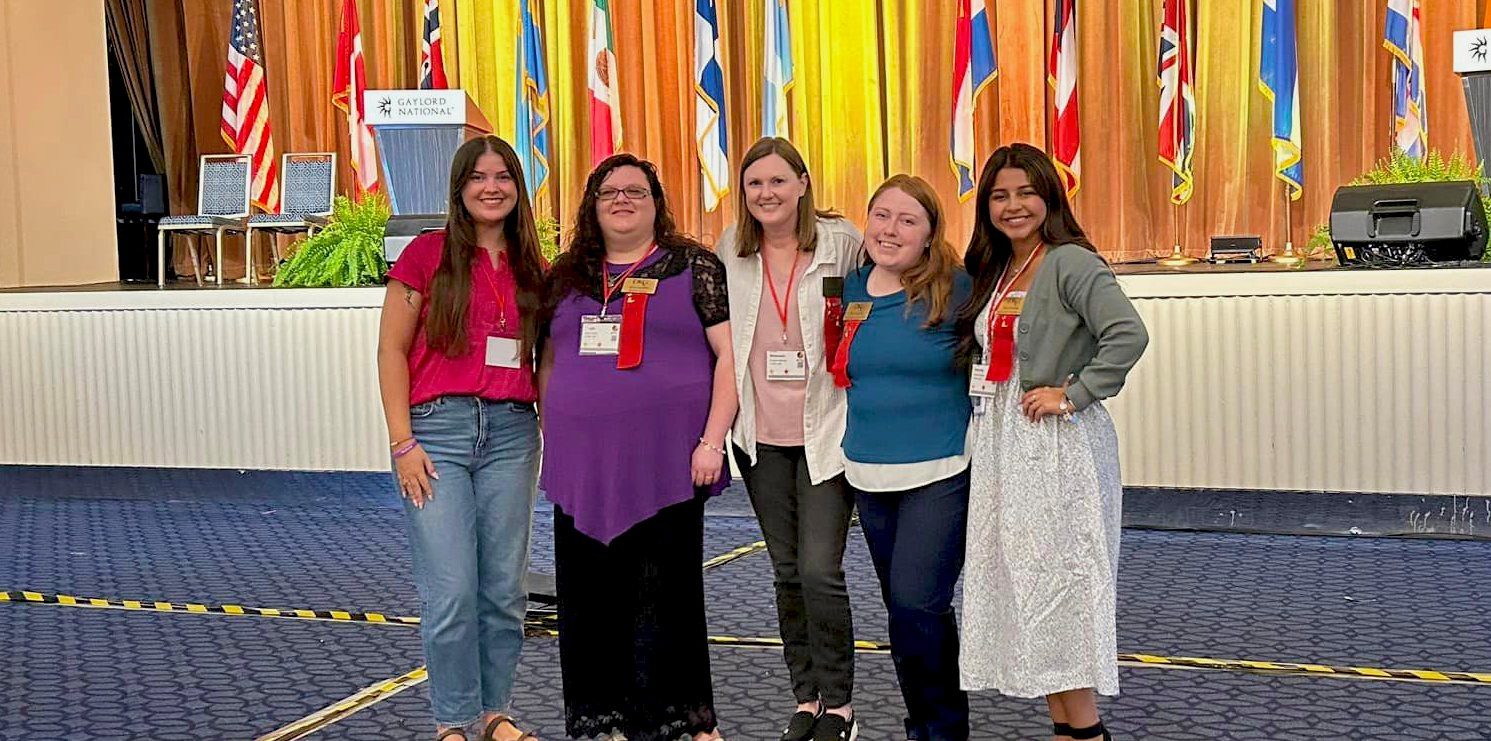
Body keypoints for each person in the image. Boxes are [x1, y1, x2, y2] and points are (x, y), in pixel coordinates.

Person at [536, 154, 737, 741]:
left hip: (669, 465)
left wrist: (712, 441)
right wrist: (560, 433)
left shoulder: (692, 266)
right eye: (609, 193)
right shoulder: (567, 276)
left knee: (664, 598)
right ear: (591, 207)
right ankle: (605, 720)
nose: (622, 201)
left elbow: (728, 357)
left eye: (636, 191)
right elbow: (546, 361)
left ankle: (676, 721)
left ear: (656, 203)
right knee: (589, 602)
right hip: (583, 469)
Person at [955, 143, 1148, 741]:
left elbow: (1127, 334)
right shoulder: (999, 267)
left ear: (1049, 196)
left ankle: (1085, 729)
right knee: (1025, 581)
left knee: (1061, 583)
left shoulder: (1069, 261)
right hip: (1003, 441)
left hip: (1055, 447)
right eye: (999, 195)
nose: (1013, 206)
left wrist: (1074, 394)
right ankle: (1067, 729)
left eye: (1025, 192)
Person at [376, 135, 547, 741]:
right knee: (451, 590)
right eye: (478, 177)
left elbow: (546, 365)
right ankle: (452, 723)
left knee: (504, 591)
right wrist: (403, 443)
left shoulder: (535, 269)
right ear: (460, 189)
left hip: (512, 435)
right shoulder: (426, 256)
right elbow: (391, 351)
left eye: (503, 176)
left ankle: (495, 714)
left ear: (517, 188)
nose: (491, 186)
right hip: (437, 434)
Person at [718, 137, 863, 741]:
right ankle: (807, 699)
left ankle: (843, 706)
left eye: (778, 181)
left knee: (819, 570)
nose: (766, 194)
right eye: (754, 184)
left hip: (827, 432)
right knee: (785, 572)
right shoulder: (732, 249)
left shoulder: (844, 243)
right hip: (761, 438)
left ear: (803, 184)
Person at [832, 174, 973, 741]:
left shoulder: (958, 289)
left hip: (940, 470)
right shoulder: (850, 290)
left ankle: (942, 730)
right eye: (882, 216)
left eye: (907, 220)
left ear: (929, 233)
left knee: (919, 604)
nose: (891, 230)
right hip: (868, 470)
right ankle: (924, 723)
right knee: (904, 613)